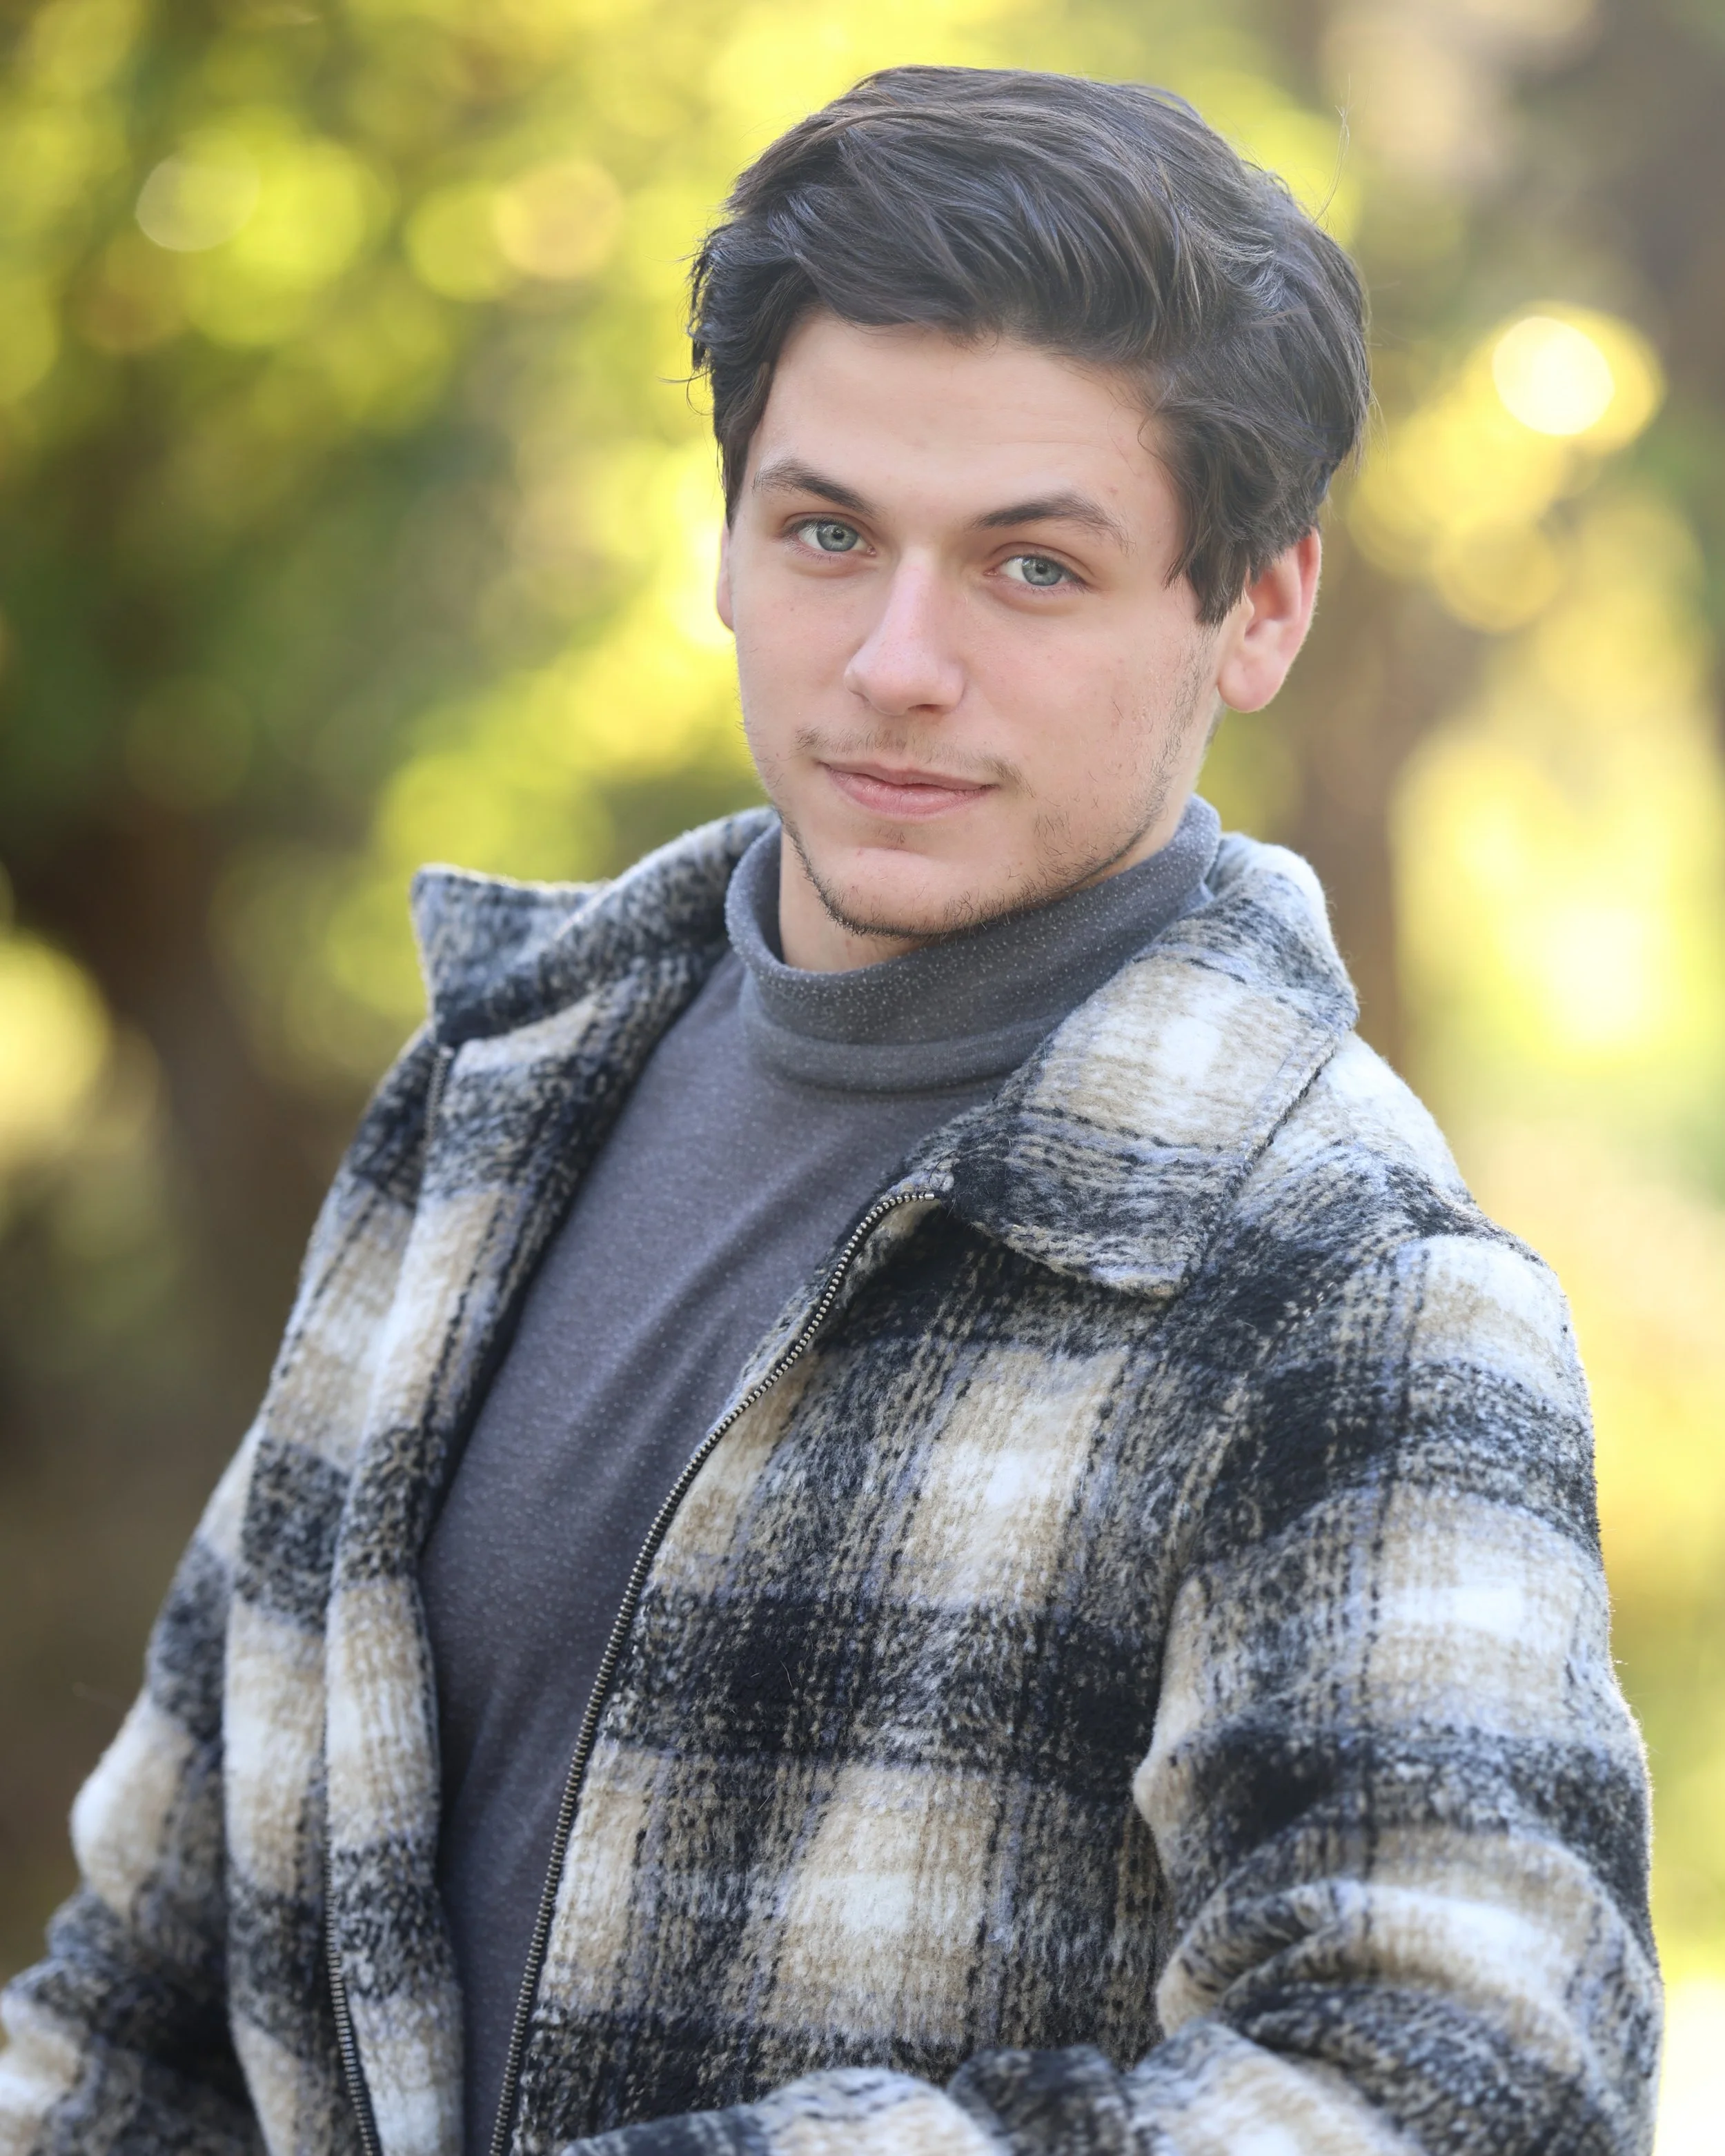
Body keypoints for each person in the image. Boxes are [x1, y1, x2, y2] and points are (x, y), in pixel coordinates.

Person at [0, 63, 1659, 2156]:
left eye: (1031, 567)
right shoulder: (486, 1108)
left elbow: (1465, 2088)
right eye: (826, 533)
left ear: (1256, 609)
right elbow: (141, 2000)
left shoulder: (1355, 1289)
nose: (893, 661)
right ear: (724, 542)